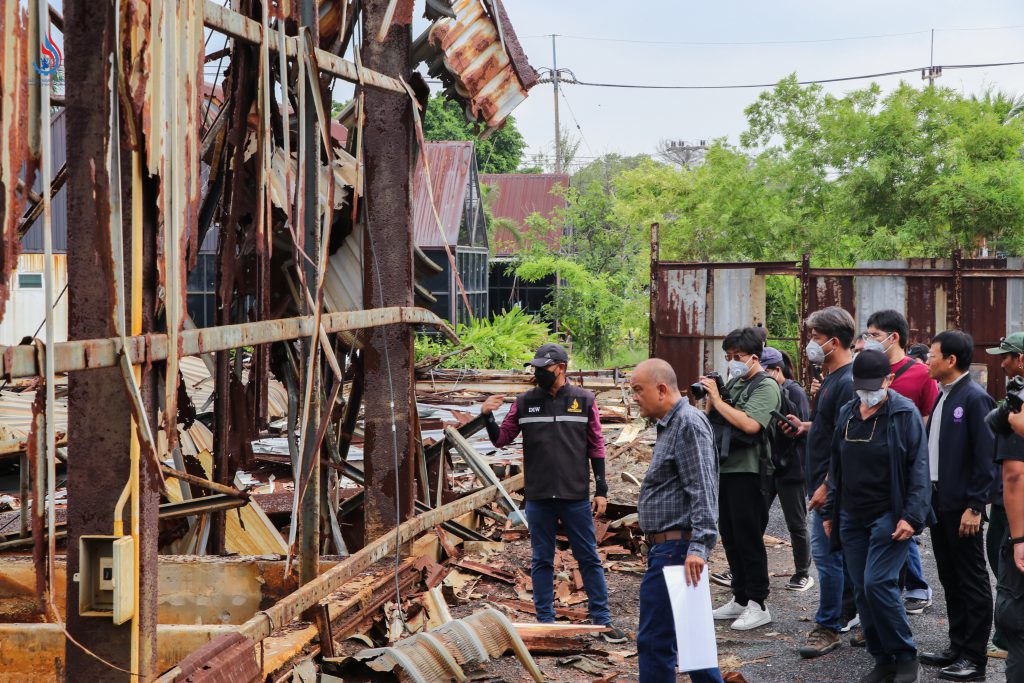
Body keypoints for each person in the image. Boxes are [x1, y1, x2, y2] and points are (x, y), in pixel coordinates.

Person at [481, 343, 627, 643]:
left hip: (574, 496)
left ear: (560, 368)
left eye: (543, 369)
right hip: (538, 496)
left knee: (588, 557)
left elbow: (596, 446)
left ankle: (602, 621)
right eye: (535, 368)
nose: (537, 374)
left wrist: (601, 490)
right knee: (542, 559)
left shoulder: (584, 400)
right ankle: (544, 621)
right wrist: (487, 415)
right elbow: (500, 440)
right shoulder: (524, 402)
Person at [822, 349, 932, 683]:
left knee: (877, 583)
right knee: (860, 587)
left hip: (890, 513)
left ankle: (905, 655)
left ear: (890, 379)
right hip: (850, 514)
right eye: (862, 385)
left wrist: (912, 516)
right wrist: (829, 511)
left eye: (875, 384)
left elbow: (919, 468)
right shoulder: (848, 412)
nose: (868, 392)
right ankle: (882, 657)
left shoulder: (904, 412)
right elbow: (835, 465)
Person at [631, 358, 724, 683]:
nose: (634, 397)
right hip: (671, 549)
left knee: (656, 641)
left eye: (638, 390)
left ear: (660, 389)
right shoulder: (673, 425)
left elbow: (703, 488)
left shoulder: (688, 424)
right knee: (693, 645)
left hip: (677, 551)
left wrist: (699, 546)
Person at [918, 331, 996, 681]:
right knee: (950, 576)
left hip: (963, 505)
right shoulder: (944, 395)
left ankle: (974, 658)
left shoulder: (974, 398)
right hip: (940, 500)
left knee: (972, 579)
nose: (927, 361)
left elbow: (986, 458)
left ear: (951, 360)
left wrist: (976, 505)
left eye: (932, 355)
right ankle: (957, 645)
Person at [781, 306, 857, 658]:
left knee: (828, 560)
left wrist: (827, 485)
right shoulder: (832, 379)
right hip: (825, 486)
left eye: (815, 338)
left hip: (831, 489)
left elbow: (848, 442)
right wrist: (806, 426)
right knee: (840, 560)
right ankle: (851, 617)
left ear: (834, 342)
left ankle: (829, 625)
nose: (811, 344)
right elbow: (832, 429)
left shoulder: (847, 382)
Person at [704, 327, 781, 631]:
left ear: (753, 356)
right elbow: (716, 419)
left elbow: (750, 425)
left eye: (736, 356)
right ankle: (739, 597)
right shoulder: (736, 382)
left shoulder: (766, 386)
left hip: (751, 472)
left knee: (749, 539)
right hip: (726, 469)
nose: (732, 362)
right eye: (728, 357)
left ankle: (759, 603)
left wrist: (718, 400)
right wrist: (712, 397)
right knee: (731, 537)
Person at [865, 310, 939, 614]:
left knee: (903, 522)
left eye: (874, 336)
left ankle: (917, 587)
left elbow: (928, 418)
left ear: (893, 337)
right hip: (872, 467)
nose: (869, 341)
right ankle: (887, 591)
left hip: (905, 465)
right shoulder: (866, 369)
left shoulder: (920, 374)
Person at [987, 333, 1024, 681]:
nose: (1003, 363)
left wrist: (1019, 538)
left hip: (1018, 519)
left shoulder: (1017, 407)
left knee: (1015, 607)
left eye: (1008, 357)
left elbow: (1013, 477)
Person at [762, 346, 814, 591]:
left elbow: (800, 429)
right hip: (770, 465)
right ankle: (746, 568)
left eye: (766, 370)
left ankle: (803, 572)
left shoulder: (794, 391)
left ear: (777, 370)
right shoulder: (763, 390)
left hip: (792, 467)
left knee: (796, 522)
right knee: (756, 518)